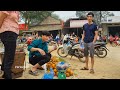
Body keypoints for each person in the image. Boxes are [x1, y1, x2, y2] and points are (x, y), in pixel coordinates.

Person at [0, 11, 20, 79]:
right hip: (8, 32)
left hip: (12, 33)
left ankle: (4, 73)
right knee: (10, 57)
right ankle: (8, 76)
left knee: (7, 54)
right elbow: (1, 17)